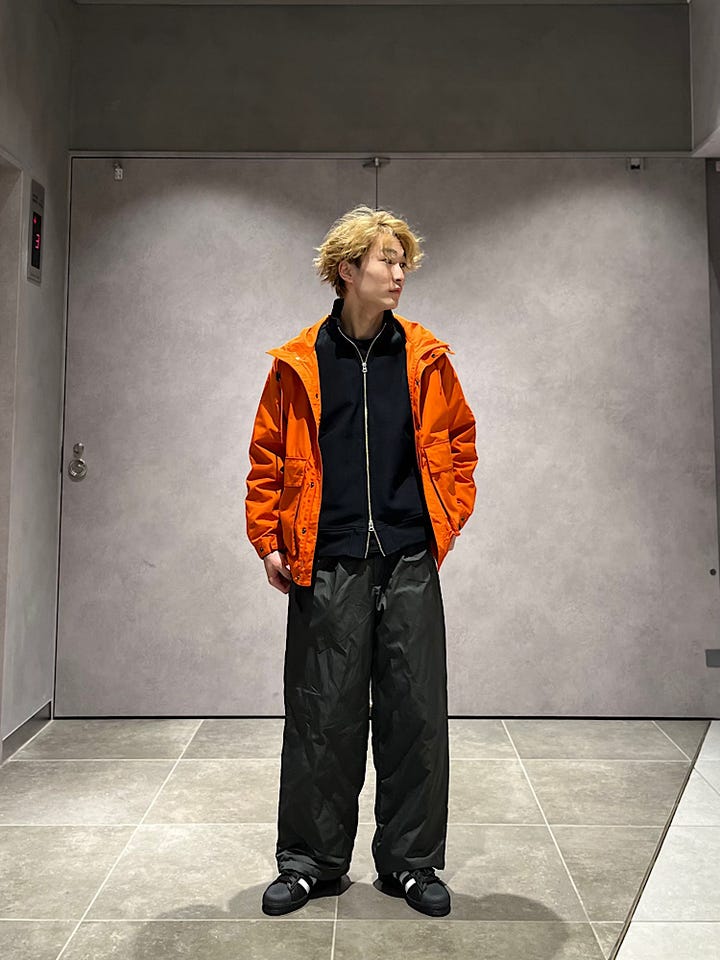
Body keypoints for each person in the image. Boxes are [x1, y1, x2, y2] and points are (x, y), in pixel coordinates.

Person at [245, 205, 477, 918]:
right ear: (348, 270)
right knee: (323, 715)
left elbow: (460, 445)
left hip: (408, 556)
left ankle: (410, 863)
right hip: (328, 560)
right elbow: (266, 457)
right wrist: (269, 538)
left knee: (415, 713)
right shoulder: (298, 362)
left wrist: (442, 522)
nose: (400, 273)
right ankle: (311, 863)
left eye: (404, 262)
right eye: (387, 260)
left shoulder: (427, 357)